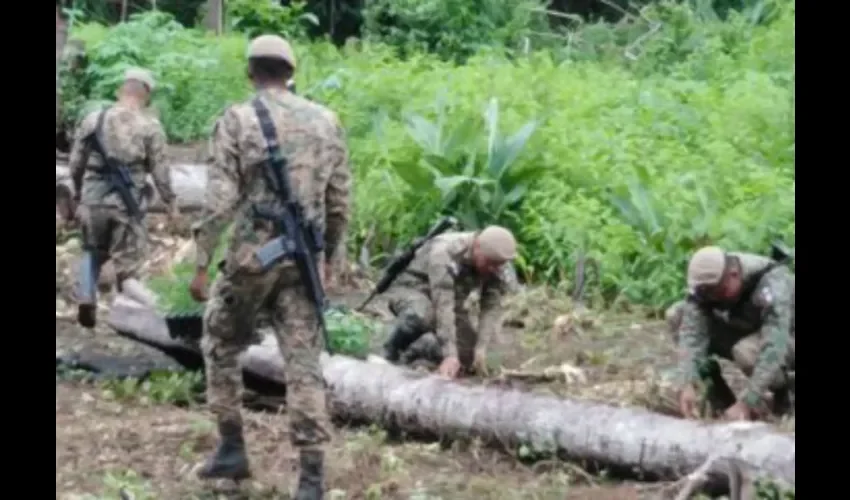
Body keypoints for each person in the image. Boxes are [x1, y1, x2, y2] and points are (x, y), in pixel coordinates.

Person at [187, 34, 352, 498]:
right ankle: (312, 479)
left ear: (251, 73)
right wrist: (330, 261)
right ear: (291, 71)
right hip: (304, 261)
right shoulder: (327, 121)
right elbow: (340, 202)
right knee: (303, 365)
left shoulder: (238, 119)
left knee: (220, 342)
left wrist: (201, 265)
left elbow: (219, 202)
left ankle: (232, 447)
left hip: (253, 259)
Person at [69, 67, 178, 327]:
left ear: (121, 90)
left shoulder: (93, 119)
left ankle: (86, 294)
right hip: (127, 206)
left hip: (92, 200)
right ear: (146, 96)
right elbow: (161, 171)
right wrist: (170, 202)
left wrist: (77, 193)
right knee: (128, 266)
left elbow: (75, 163)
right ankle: (135, 312)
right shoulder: (150, 127)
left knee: (90, 249)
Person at [667, 246, 795, 421]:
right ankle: (719, 399)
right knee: (677, 316)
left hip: (785, 336)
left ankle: (785, 395)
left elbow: (774, 347)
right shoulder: (709, 287)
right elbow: (691, 334)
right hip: (748, 328)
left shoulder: (773, 283)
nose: (713, 298)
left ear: (733, 275)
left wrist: (748, 401)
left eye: (718, 291)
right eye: (707, 294)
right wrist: (687, 381)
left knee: (746, 352)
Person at [379, 226, 519, 379]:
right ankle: (388, 352)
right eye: (489, 263)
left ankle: (419, 350)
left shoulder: (498, 265)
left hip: (452, 299)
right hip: (412, 289)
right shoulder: (446, 252)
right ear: (477, 246)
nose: (494, 269)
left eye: (498, 265)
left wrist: (481, 348)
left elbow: (490, 307)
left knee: (467, 355)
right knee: (424, 314)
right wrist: (450, 355)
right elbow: (443, 305)